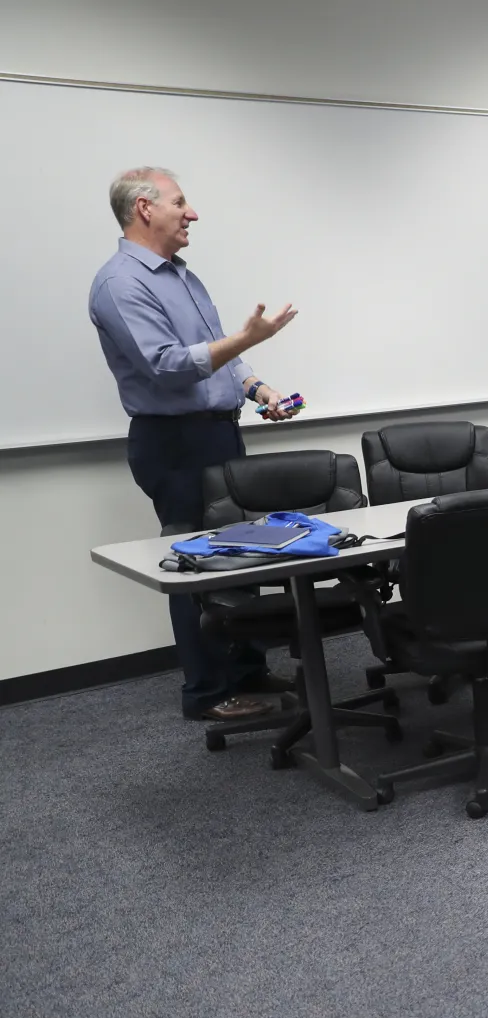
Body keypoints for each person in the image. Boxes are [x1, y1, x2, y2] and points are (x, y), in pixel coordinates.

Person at [90, 167, 301, 722]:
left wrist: (258, 388)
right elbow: (167, 367)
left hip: (217, 432)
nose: (193, 214)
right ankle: (209, 692)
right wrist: (245, 339)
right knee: (195, 564)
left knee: (243, 552)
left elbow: (217, 354)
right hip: (175, 442)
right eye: (181, 203)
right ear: (144, 209)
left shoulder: (181, 275)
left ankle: (247, 672)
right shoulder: (121, 284)